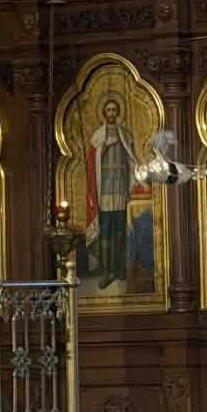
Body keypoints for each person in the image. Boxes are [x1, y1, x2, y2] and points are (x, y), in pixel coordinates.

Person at [85, 95, 142, 289]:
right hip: (104, 191)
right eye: (108, 110)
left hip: (120, 188)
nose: (111, 113)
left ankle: (118, 268)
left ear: (118, 112)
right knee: (106, 231)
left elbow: (131, 159)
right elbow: (91, 162)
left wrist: (134, 183)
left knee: (119, 230)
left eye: (114, 110)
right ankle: (106, 271)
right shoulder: (98, 135)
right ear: (104, 113)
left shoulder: (125, 133)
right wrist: (104, 147)